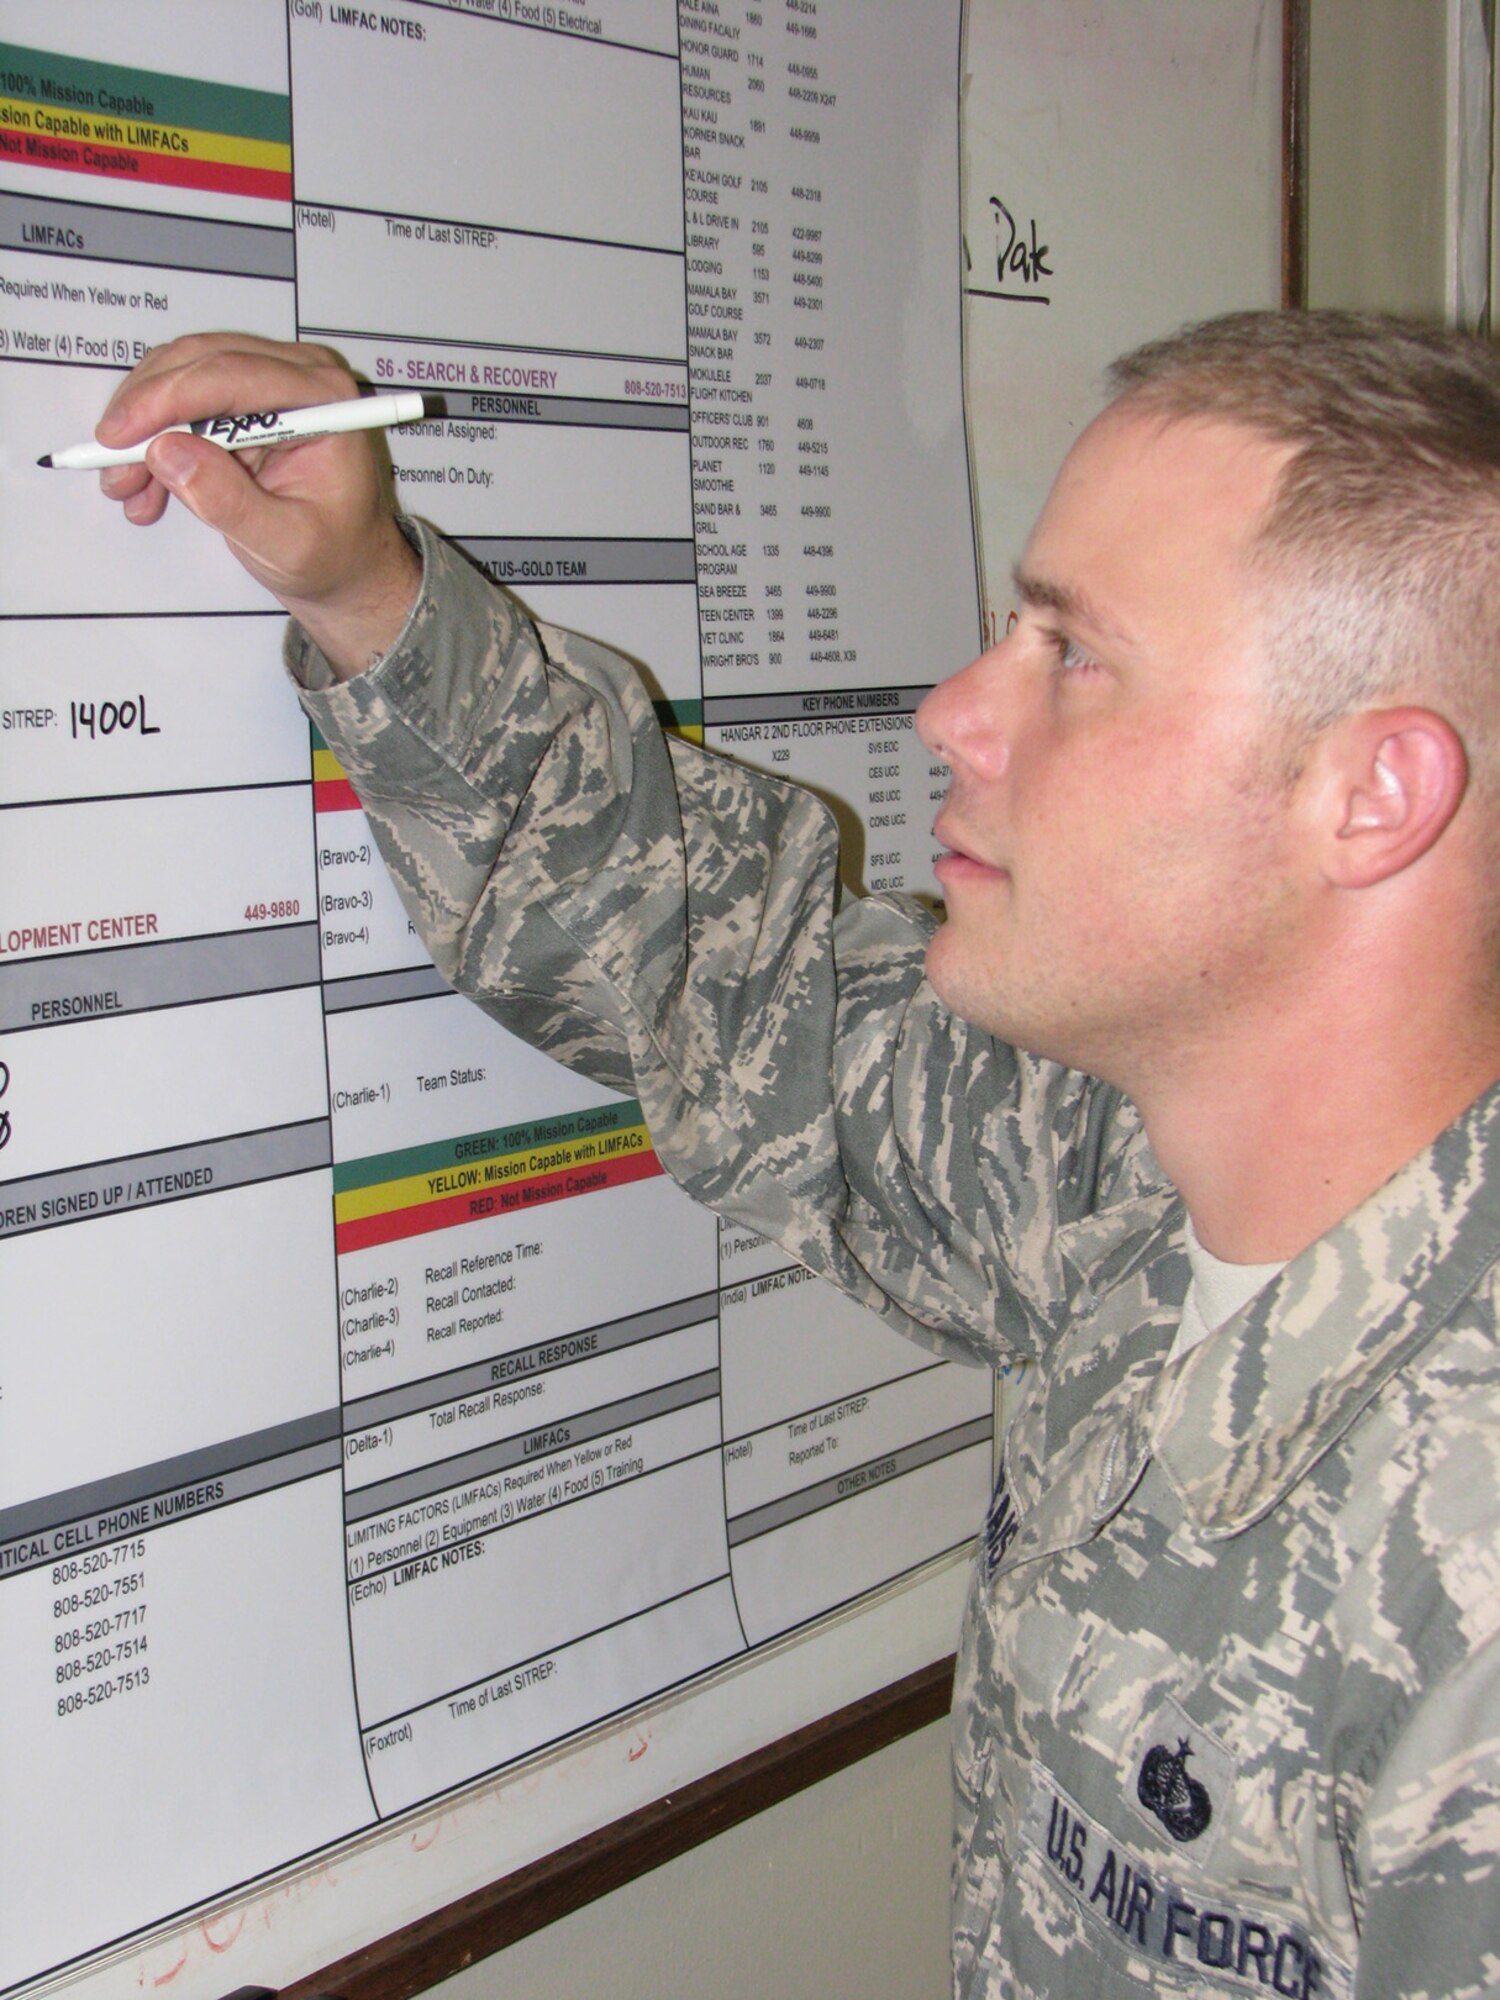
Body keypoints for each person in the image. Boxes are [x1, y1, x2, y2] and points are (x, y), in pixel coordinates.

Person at [97, 313, 1500, 1999]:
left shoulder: (1464, 1559)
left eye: (1073, 656)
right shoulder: (1119, 1182)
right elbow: (727, 971)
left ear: (1375, 794)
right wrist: (368, 588)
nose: (956, 712)